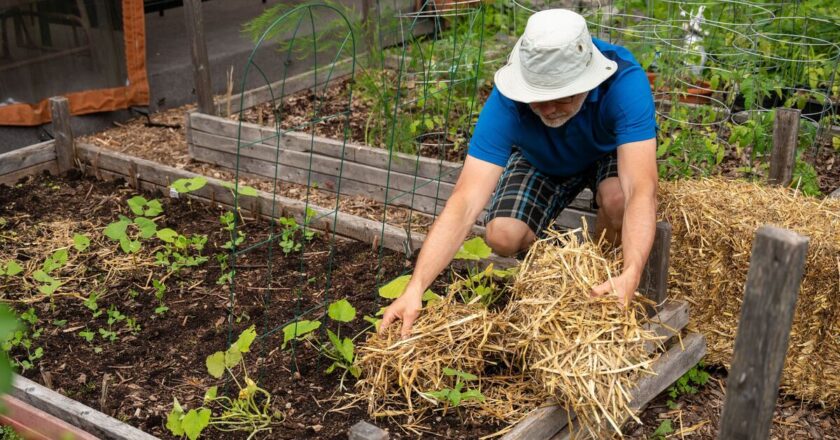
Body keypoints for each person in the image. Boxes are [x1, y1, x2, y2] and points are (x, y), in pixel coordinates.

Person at [379, 9, 658, 337]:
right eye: (537, 100)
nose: (549, 109)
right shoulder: (508, 101)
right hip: (542, 157)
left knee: (619, 200)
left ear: (587, 81)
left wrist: (633, 270)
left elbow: (642, 187)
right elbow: (466, 200)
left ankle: (607, 278)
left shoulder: (623, 82)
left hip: (606, 149)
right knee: (502, 236)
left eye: (561, 98)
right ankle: (553, 278)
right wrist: (416, 287)